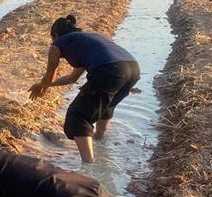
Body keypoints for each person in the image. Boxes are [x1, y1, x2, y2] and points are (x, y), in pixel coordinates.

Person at [29, 14, 140, 163]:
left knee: (77, 116)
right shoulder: (83, 40)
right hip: (132, 69)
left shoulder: (57, 44)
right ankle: (99, 141)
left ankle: (89, 165)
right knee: (105, 106)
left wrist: (41, 85)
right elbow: (71, 78)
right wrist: (48, 84)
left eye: (52, 38)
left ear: (54, 35)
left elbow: (49, 76)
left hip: (109, 69)